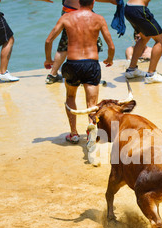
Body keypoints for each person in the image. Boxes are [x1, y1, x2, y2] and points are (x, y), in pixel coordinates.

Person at [44, 0, 114, 150]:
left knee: (70, 97)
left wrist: (48, 59)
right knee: (92, 104)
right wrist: (110, 59)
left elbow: (49, 40)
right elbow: (111, 45)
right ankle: (91, 131)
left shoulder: (66, 18)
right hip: (91, 65)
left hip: (72, 64)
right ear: (93, 2)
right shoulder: (99, 19)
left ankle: (74, 133)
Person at [44, 0, 117, 85]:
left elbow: (48, 41)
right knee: (92, 41)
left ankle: (52, 74)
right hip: (81, 12)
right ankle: (85, 76)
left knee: (65, 43)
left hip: (67, 11)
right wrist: (112, 1)